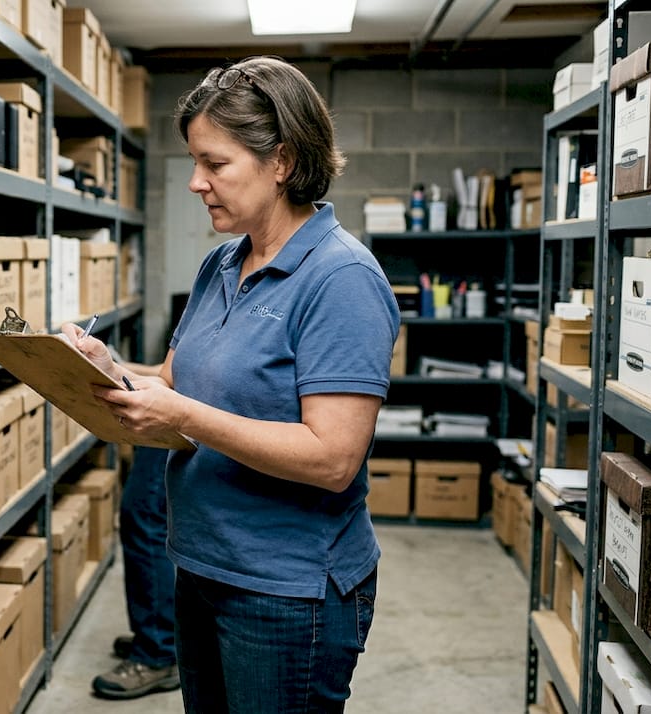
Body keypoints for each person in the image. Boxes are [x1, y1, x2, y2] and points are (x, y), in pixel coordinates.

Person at [63, 56, 400, 713]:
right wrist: (106, 363)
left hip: (287, 591)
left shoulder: (341, 279)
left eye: (215, 164)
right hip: (203, 566)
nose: (196, 183)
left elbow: (333, 458)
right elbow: (175, 378)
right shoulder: (224, 261)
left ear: (282, 160)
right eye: (194, 162)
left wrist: (184, 417)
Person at [91, 360, 178, 701]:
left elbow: (172, 378)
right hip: (176, 407)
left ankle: (158, 650)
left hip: (183, 415)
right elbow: (170, 371)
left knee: (145, 517)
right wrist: (107, 364)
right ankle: (161, 630)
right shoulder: (206, 304)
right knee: (144, 516)